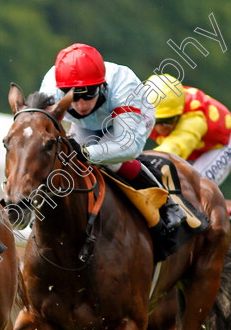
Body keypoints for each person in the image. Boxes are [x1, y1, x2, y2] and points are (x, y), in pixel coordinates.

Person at [38, 43, 186, 235]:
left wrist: (86, 153)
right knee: (65, 162)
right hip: (87, 125)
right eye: (73, 96)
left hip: (131, 120)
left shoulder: (123, 86)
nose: (81, 104)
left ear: (102, 84)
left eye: (89, 93)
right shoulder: (51, 86)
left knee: (110, 161)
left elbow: (127, 145)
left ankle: (167, 203)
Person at [146, 73, 231, 259]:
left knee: (196, 189)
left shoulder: (194, 119)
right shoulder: (143, 109)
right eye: (157, 121)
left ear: (179, 114)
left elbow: (172, 150)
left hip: (223, 144)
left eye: (168, 121)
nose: (161, 128)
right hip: (195, 146)